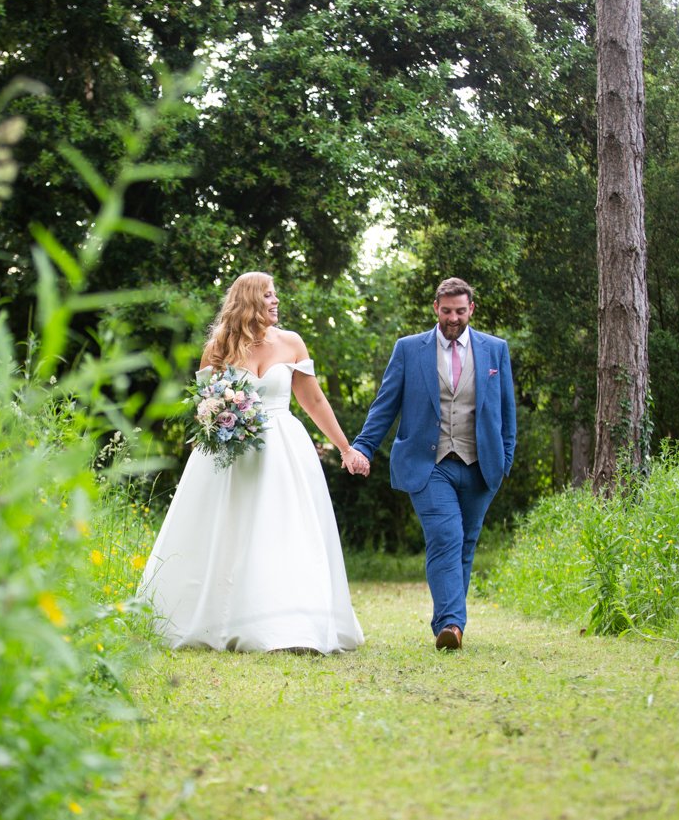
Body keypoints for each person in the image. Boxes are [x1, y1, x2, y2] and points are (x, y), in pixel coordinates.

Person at [139, 272, 366, 653]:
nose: (276, 301)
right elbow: (204, 405)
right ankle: (216, 618)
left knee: (284, 531)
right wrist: (220, 416)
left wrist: (345, 448)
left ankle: (293, 622)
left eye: (276, 295)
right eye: (268, 295)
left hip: (284, 451)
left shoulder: (292, 343)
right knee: (227, 530)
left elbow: (314, 401)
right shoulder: (218, 348)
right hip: (232, 455)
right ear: (248, 302)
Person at [347, 277, 516, 651]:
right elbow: (385, 404)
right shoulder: (409, 349)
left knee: (465, 545)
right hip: (428, 463)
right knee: (446, 537)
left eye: (460, 310)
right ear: (435, 308)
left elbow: (506, 411)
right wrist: (363, 447)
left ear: (471, 309)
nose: (453, 318)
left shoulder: (495, 350)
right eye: (446, 310)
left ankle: (449, 620)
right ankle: (453, 625)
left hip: (480, 464)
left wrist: (505, 460)